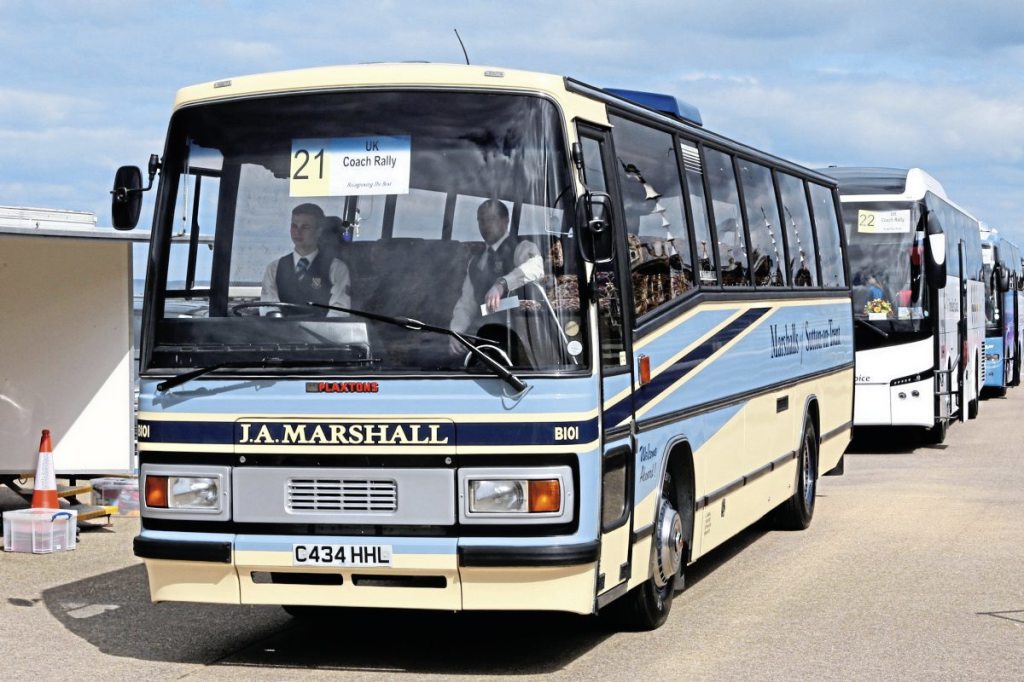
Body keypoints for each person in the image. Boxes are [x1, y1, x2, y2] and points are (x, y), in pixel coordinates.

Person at [448, 199, 543, 354]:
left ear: (505, 221)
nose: (485, 226)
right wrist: (456, 331)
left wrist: (502, 284)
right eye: (481, 221)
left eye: (491, 219)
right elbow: (467, 303)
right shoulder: (475, 261)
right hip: (483, 337)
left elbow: (536, 267)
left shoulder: (521, 248)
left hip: (519, 337)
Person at [261, 203, 351, 316]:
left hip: (322, 332)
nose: (297, 232)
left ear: (319, 231)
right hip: (281, 332)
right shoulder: (274, 268)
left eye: (305, 227)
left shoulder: (337, 269)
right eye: (294, 226)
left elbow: (338, 313)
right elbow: (269, 309)